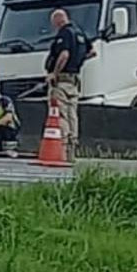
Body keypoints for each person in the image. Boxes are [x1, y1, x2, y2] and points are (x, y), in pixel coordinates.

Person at [45, 8, 95, 161]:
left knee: (61, 113)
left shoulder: (65, 33)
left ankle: (63, 147)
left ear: (58, 20)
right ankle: (72, 149)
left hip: (62, 80)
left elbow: (64, 54)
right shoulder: (79, 33)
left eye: (53, 22)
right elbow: (92, 52)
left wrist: (55, 72)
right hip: (74, 80)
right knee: (73, 114)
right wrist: (78, 60)